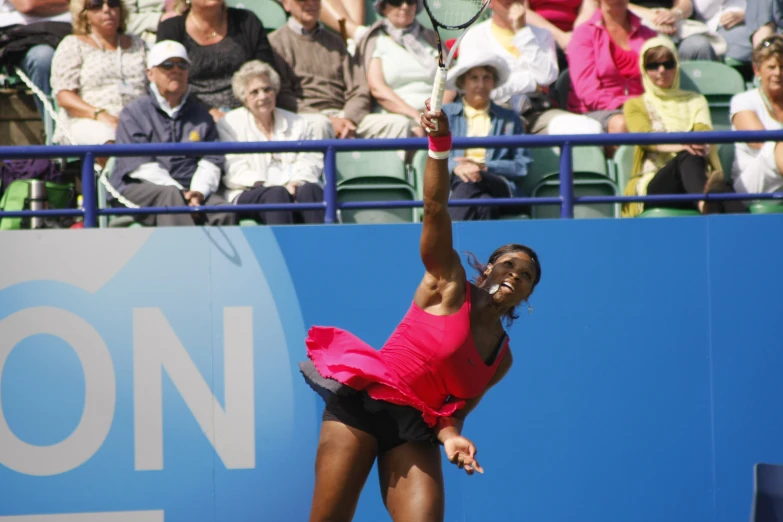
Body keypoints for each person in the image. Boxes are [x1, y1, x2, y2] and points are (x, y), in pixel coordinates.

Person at [298, 99, 541, 522]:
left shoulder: (502, 360)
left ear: (527, 297)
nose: (516, 276)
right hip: (364, 405)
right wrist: (440, 145)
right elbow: (435, 209)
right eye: (509, 265)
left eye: (527, 276)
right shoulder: (446, 284)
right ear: (486, 269)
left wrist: (452, 440)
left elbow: (454, 412)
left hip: (415, 428)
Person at [109, 40, 236, 226]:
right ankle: (183, 255)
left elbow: (212, 161)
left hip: (191, 188)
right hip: (138, 188)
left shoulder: (201, 113)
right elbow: (140, 167)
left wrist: (197, 192)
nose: (176, 70)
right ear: (150, 74)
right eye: (167, 65)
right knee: (170, 197)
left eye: (182, 65)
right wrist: (182, 194)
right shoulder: (134, 112)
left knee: (224, 211)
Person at [621, 37, 745, 216]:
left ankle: (751, 234)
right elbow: (645, 138)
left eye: (668, 64)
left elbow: (703, 132)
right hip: (657, 182)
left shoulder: (695, 99)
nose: (661, 71)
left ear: (676, 66)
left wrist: (696, 144)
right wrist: (682, 146)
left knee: (723, 192)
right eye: (653, 66)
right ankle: (706, 205)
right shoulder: (635, 105)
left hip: (695, 177)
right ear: (644, 70)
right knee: (688, 155)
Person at [269, 0, 410, 140]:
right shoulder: (276, 42)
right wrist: (328, 120)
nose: (310, 3)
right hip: (306, 116)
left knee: (399, 125)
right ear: (286, 4)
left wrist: (348, 119)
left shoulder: (335, 41)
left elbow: (359, 88)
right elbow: (283, 95)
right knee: (321, 126)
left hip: (344, 115)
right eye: (302, 0)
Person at [217, 60, 325, 225]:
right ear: (244, 98)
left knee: (311, 190)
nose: (263, 96)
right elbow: (235, 170)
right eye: (254, 92)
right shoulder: (229, 124)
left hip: (292, 187)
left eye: (267, 89)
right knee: (276, 194)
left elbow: (310, 159)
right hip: (248, 192)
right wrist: (271, 185)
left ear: (275, 91)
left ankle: (322, 248)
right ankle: (285, 250)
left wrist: (296, 181)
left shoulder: (298, 122)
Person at [443, 53, 530, 221]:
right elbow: (434, 155)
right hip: (456, 184)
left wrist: (484, 167)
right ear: (462, 82)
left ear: (493, 82)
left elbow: (522, 166)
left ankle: (447, 242)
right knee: (485, 204)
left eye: (486, 78)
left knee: (470, 180)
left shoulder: (510, 118)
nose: (480, 84)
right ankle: (480, 247)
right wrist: (455, 166)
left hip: (500, 186)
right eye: (474, 78)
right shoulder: (447, 115)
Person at [50, 0, 148, 149]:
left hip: (138, 119)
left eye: (113, 3)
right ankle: (117, 172)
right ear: (84, 14)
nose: (107, 9)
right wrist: (100, 115)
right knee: (107, 138)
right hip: (89, 120)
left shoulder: (139, 45)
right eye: (96, 4)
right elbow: (64, 97)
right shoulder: (73, 45)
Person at [156, 0, 276, 120]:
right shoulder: (170, 29)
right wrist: (209, 112)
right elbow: (167, 82)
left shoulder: (246, 21)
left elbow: (266, 74)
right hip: (192, 118)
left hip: (249, 113)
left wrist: (242, 116)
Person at [567, 0, 657, 134]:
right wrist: (627, 105)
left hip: (644, 108)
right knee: (623, 124)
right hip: (596, 111)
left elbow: (662, 79)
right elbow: (587, 90)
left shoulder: (649, 35)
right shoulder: (583, 34)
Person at [729, 35, 783, 195]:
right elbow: (760, 141)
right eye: (771, 67)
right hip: (752, 184)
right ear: (756, 70)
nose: (778, 73)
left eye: (782, 66)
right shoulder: (743, 100)